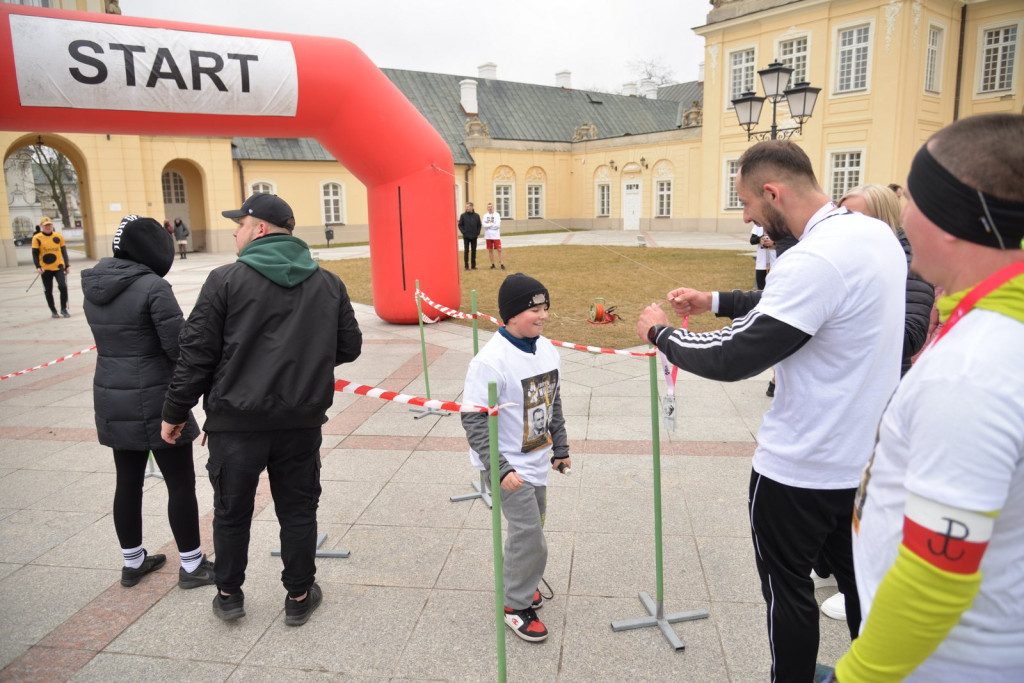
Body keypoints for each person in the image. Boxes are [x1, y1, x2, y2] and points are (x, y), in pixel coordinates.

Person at [636, 140, 906, 683]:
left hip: (800, 467)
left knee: (789, 592)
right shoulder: (874, 236)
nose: (748, 219)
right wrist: (712, 300)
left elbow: (734, 355)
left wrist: (658, 332)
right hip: (865, 464)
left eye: (749, 205)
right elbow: (809, 307)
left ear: (774, 192)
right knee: (864, 588)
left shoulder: (812, 258)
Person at [832, 113, 1024, 682]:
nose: (902, 216)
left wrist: (859, 674)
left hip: (941, 662)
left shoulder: (972, 373)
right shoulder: (995, 325)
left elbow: (938, 571)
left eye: (910, 199)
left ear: (949, 218)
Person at [160, 193, 362, 626]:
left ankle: (230, 594)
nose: (235, 231)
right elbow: (348, 346)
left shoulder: (225, 280)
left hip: (237, 424)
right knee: (298, 509)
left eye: (241, 223)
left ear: (262, 229)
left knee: (232, 512)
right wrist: (304, 363)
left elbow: (195, 355)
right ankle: (299, 594)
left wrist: (174, 413)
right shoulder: (328, 282)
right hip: (299, 422)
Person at [81, 215, 215, 590]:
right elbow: (177, 347)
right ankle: (192, 565)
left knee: (127, 481)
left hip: (111, 396)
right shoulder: (153, 287)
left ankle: (133, 561)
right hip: (156, 397)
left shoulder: (94, 285)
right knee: (180, 482)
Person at [461, 273, 570, 643]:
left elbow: (553, 401)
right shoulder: (490, 362)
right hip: (508, 466)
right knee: (531, 537)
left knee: (534, 528)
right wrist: (500, 467)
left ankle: (520, 581)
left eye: (545, 308)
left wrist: (561, 448)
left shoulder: (547, 349)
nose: (543, 316)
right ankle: (515, 606)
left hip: (537, 461)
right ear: (510, 316)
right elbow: (473, 420)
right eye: (534, 310)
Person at [32, 216, 71, 318]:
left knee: (63, 286)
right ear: (41, 226)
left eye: (49, 225)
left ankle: (63, 309)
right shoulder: (37, 238)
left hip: (59, 267)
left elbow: (64, 251)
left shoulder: (58, 236)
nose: (48, 227)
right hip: (45, 269)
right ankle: (53, 310)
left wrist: (67, 265)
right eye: (46, 225)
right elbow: (35, 254)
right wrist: (38, 266)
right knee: (48, 290)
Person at [750, 222, 776, 290]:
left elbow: (785, 240)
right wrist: (760, 239)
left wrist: (773, 242)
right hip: (761, 264)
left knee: (774, 287)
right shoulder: (758, 225)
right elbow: (752, 240)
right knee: (761, 288)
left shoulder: (777, 223)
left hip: (774, 262)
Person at [458, 201, 482, 270]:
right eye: (466, 207)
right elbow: (460, 225)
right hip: (466, 237)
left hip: (474, 236)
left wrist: (477, 233)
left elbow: (479, 225)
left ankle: (473, 266)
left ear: (472, 207)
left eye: (468, 207)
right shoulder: (463, 216)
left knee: (474, 251)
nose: (467, 208)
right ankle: (466, 266)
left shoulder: (476, 216)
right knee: (466, 251)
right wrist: (464, 232)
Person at [482, 202, 505, 270]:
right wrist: (491, 225)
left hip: (496, 236)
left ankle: (502, 264)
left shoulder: (497, 215)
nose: (490, 208)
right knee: (490, 250)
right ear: (487, 208)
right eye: (488, 207)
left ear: (493, 207)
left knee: (499, 250)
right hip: (488, 236)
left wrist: (489, 225)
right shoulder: (485, 215)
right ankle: (492, 264)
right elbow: (484, 225)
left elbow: (497, 225)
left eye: (491, 207)